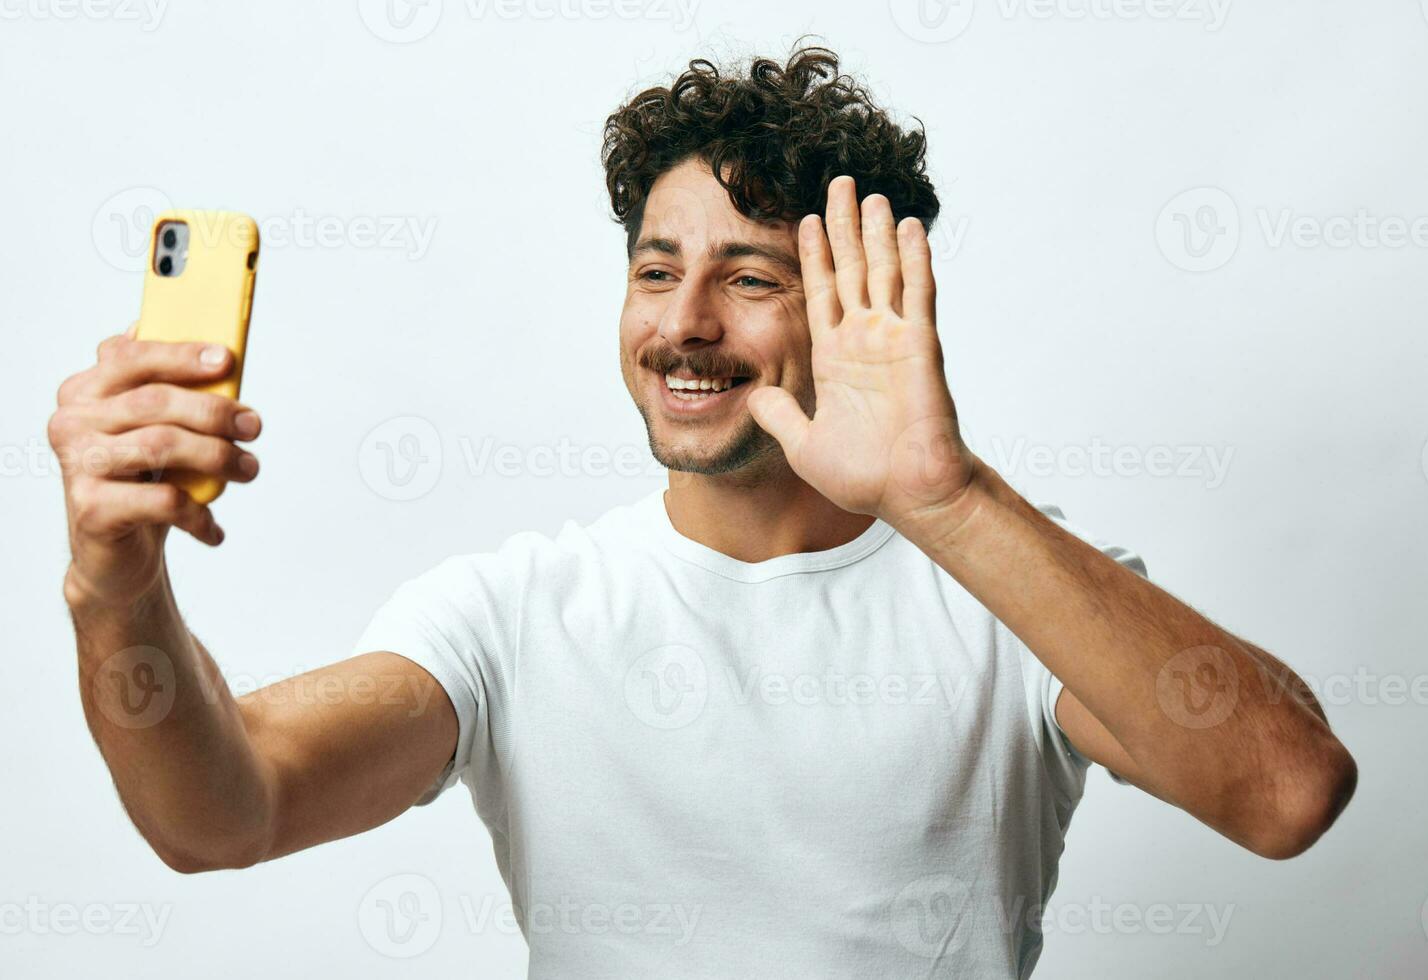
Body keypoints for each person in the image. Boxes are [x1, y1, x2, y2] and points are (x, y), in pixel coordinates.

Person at [50, 46, 1356, 978]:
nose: (682, 323)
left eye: (748, 277)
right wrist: (115, 587)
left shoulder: (1014, 590)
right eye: (656, 270)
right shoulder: (517, 611)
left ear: (858, 306)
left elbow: (1285, 794)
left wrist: (945, 496)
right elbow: (223, 815)